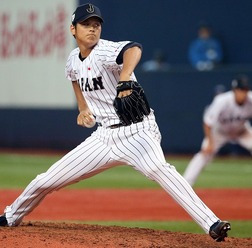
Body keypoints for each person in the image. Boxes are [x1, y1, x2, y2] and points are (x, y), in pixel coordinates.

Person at [0, 3, 231, 242]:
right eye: (86, 24)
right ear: (73, 29)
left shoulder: (104, 51)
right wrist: (82, 107)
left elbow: (134, 49)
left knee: (159, 169)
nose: (92, 29)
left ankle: (212, 223)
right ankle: (10, 216)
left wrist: (123, 78)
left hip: (137, 132)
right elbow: (74, 77)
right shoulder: (73, 59)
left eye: (96, 25)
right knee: (46, 180)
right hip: (103, 137)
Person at [183, 75, 252, 186]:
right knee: (205, 153)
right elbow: (207, 122)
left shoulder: (250, 100)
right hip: (220, 132)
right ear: (234, 91)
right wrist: (210, 142)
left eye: (245, 90)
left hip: (241, 131)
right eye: (240, 90)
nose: (243, 93)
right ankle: (185, 184)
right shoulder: (222, 101)